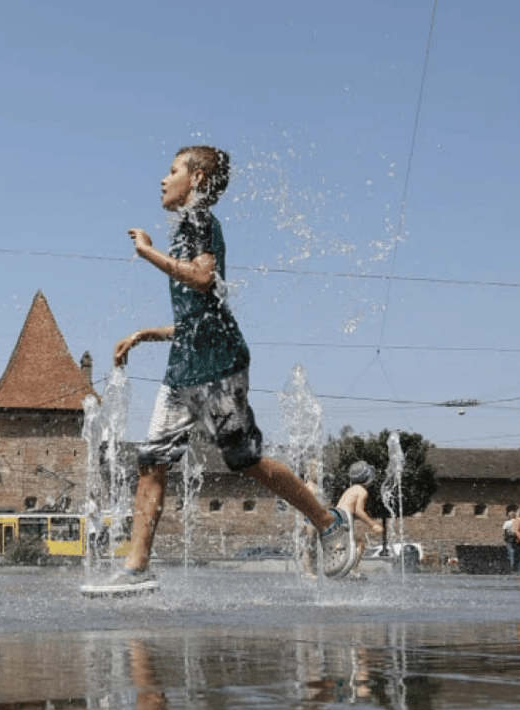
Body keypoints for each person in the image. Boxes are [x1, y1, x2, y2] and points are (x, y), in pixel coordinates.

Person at [82, 146, 359, 597]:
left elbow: (202, 279)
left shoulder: (199, 222)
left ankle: (328, 521)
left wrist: (147, 252)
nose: (162, 179)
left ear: (196, 177)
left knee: (244, 460)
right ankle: (136, 568)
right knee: (152, 461)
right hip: (185, 367)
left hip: (217, 366)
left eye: (172, 170)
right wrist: (146, 334)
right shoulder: (187, 228)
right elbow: (199, 312)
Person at [335, 461, 385, 561]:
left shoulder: (350, 489)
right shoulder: (362, 491)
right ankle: (352, 571)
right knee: (359, 544)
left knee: (343, 545)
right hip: (345, 518)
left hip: (336, 516)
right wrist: (373, 524)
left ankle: (339, 566)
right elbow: (359, 511)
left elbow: (349, 508)